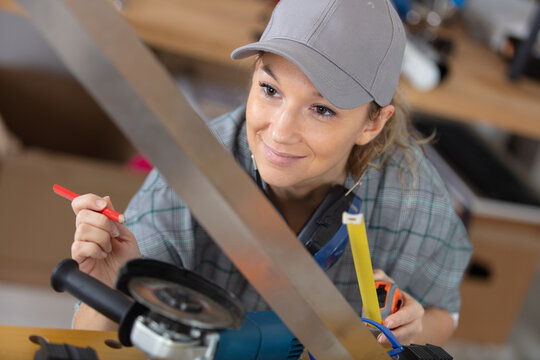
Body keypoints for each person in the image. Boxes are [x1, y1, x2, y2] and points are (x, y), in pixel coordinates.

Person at [69, 0, 472, 347]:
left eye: (322, 109)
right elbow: (96, 342)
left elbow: (444, 316)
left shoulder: (415, 196)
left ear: (373, 124)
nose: (278, 133)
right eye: (270, 90)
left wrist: (410, 330)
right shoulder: (196, 167)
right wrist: (106, 288)